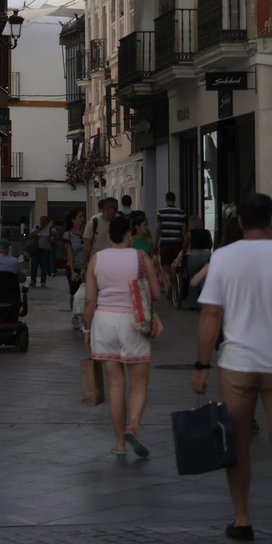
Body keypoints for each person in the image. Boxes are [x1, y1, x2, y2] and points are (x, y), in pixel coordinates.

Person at [191, 193, 272, 544]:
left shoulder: (224, 258)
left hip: (238, 364)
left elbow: (211, 315)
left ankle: (242, 519)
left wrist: (202, 366)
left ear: (239, 222)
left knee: (239, 441)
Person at [83, 212, 160, 458]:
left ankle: (119, 442)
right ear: (129, 234)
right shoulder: (140, 257)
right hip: (133, 322)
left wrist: (87, 328)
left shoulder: (96, 259)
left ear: (108, 235)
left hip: (103, 322)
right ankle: (133, 425)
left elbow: (90, 300)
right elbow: (156, 294)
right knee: (139, 383)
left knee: (115, 384)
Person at [156, 192, 186, 300]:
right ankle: (175, 286)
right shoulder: (181, 213)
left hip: (165, 243)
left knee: (165, 268)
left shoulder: (161, 212)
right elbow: (184, 231)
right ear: (174, 200)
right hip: (177, 244)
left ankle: (169, 284)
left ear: (166, 200)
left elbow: (159, 229)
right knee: (175, 267)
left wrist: (156, 243)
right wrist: (185, 245)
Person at [81, 197, 120, 267]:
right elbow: (87, 246)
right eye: (115, 209)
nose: (116, 211)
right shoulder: (93, 223)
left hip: (113, 263)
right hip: (97, 263)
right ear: (107, 209)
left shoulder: (117, 223)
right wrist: (83, 265)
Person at [28, 215, 54, 289]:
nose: (43, 222)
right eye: (42, 220)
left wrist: (51, 241)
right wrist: (39, 229)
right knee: (34, 266)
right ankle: (33, 281)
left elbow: (57, 236)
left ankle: (43, 281)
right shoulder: (36, 227)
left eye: (44, 220)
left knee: (43, 266)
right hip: (36, 249)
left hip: (45, 249)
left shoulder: (49, 229)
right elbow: (31, 235)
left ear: (47, 222)